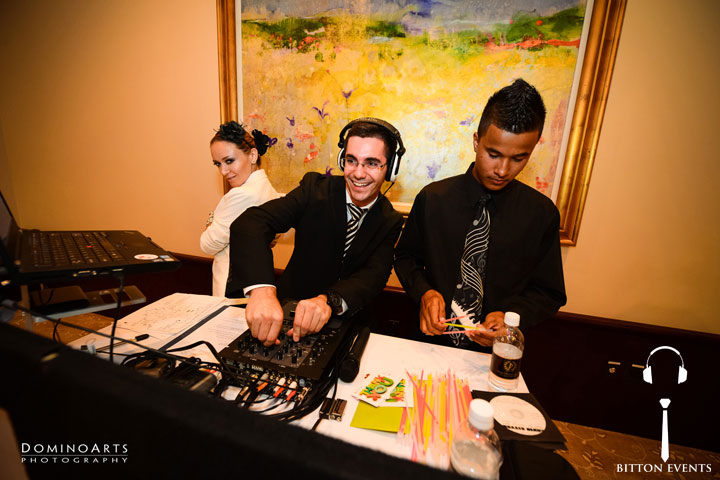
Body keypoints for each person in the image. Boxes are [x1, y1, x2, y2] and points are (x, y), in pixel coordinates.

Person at [394, 79, 566, 351]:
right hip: (427, 345)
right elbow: (405, 258)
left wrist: (512, 318)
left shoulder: (541, 215)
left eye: (519, 158)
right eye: (493, 154)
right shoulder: (433, 199)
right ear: (476, 141)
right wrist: (425, 293)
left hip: (495, 355)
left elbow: (549, 292)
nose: (502, 169)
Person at [226, 118, 405, 347]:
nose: (359, 173)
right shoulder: (314, 190)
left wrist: (328, 301)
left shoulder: (390, 220)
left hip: (347, 329)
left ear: (390, 168)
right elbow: (251, 223)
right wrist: (261, 290)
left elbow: (373, 276)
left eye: (371, 163)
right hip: (287, 320)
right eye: (351, 161)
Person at [200, 121, 280, 297]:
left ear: (252, 155)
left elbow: (206, 245)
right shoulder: (270, 191)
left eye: (229, 161)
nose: (223, 171)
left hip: (233, 291)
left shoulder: (242, 195)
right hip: (253, 287)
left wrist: (211, 218)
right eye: (217, 164)